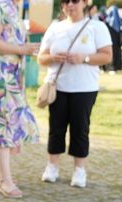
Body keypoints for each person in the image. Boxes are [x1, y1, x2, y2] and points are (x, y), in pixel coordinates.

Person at [37, 0, 112, 187]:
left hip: (84, 88)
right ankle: (52, 166)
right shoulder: (55, 28)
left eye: (75, 1)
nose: (70, 5)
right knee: (56, 128)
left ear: (85, 3)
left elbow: (107, 55)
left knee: (80, 129)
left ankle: (80, 170)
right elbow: (41, 57)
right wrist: (53, 57)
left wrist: (84, 58)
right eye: (65, 2)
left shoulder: (97, 27)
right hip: (58, 87)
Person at [0, 0, 40, 198]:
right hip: (0, 78)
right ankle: (5, 180)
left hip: (5, 77)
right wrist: (23, 49)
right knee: (5, 122)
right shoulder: (0, 6)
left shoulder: (10, 7)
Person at [105, 4, 121, 72]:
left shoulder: (108, 21)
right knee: (116, 52)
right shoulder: (119, 21)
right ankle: (116, 66)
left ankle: (113, 67)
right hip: (116, 42)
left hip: (111, 42)